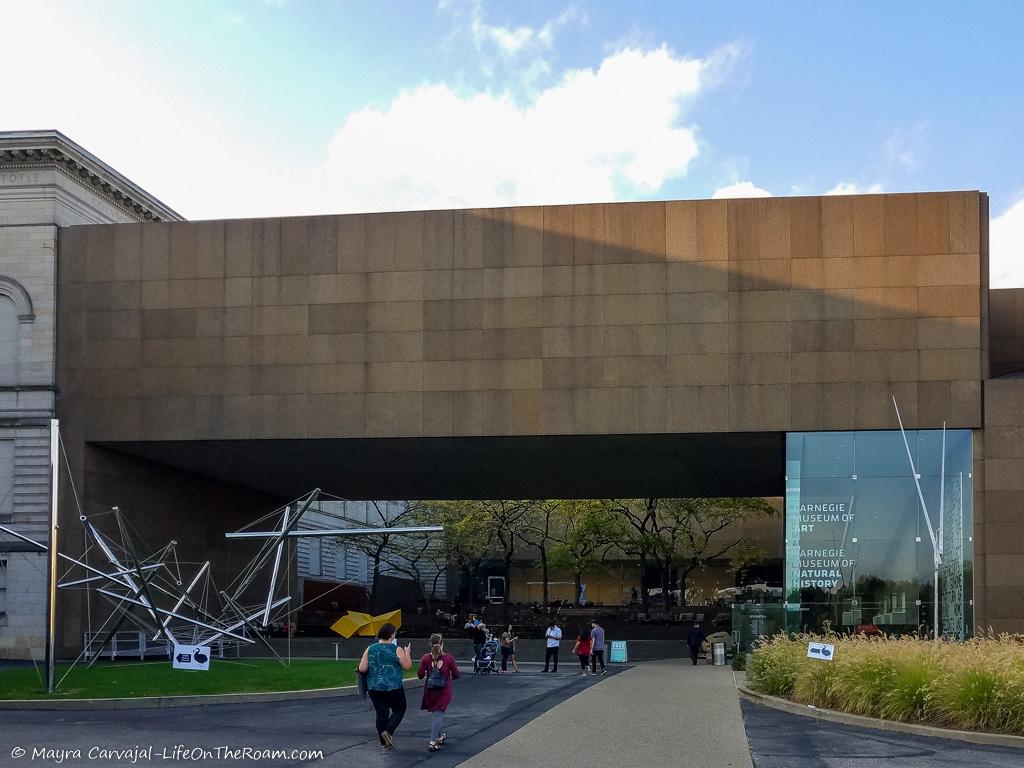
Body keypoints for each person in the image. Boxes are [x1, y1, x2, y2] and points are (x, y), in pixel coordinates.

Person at [358, 623, 413, 751]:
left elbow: (362, 668)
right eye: (394, 633)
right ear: (391, 634)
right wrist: (407, 653)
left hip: (374, 688)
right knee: (400, 709)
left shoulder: (370, 648)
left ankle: (384, 743)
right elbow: (407, 666)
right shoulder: (396, 649)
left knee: (381, 714)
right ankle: (388, 731)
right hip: (393, 687)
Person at [417, 633, 460, 752]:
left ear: (430, 644)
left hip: (430, 690)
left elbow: (420, 675)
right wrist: (449, 675)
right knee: (439, 714)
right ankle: (432, 741)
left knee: (437, 714)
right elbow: (456, 674)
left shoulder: (426, 658)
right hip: (443, 690)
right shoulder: (449, 658)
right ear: (442, 643)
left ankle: (440, 736)